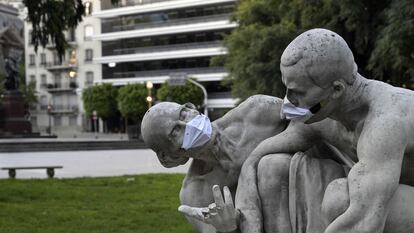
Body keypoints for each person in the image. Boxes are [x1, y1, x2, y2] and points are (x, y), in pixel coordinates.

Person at [233, 28, 414, 233]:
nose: (288, 99)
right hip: (388, 192)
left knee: (339, 198)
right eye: (287, 88)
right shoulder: (325, 114)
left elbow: (364, 221)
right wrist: (245, 202)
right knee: (271, 165)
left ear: (337, 89)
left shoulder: (386, 122)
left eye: (298, 92)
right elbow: (258, 154)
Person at [141, 95, 290, 232]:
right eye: (175, 132)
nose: (188, 124)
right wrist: (228, 229)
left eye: (183, 114)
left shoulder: (257, 111)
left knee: (272, 165)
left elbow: (309, 118)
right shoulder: (195, 194)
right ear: (169, 157)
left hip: (306, 200)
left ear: (191, 107)